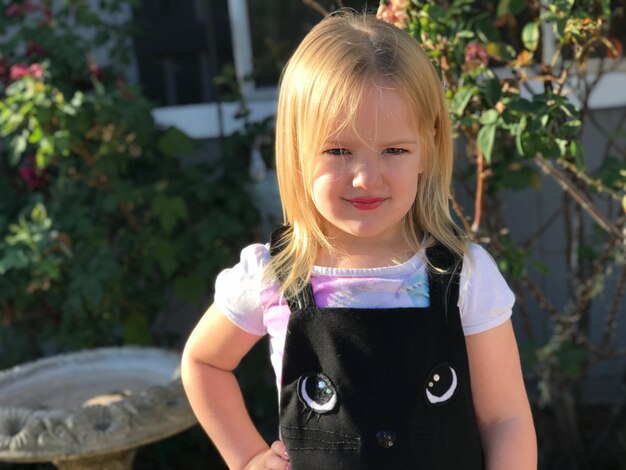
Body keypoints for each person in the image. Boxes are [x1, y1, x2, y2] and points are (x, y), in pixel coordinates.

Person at [181, 11, 537, 470]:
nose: (367, 178)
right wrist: (247, 458)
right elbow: (205, 364)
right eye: (338, 151)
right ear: (296, 151)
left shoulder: (462, 276)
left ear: (426, 149)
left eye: (394, 150)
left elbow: (505, 418)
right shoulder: (274, 276)